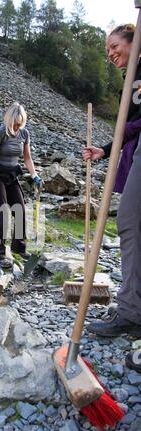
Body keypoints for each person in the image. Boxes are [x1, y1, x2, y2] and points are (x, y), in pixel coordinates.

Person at [83, 24, 141, 373]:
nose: (110, 53)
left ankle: (132, 310)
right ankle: (132, 306)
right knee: (133, 224)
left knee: (130, 222)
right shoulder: (132, 77)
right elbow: (132, 123)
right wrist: (105, 151)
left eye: (115, 45)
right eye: (107, 49)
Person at [0, 102, 42, 269]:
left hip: (12, 175)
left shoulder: (24, 134)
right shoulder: (0, 132)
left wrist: (35, 175)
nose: (16, 126)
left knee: (20, 209)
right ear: (9, 120)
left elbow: (27, 158)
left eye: (19, 123)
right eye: (14, 122)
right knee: (1, 212)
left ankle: (19, 247)